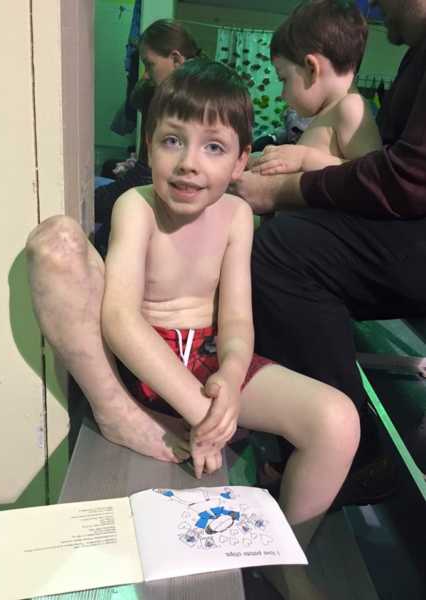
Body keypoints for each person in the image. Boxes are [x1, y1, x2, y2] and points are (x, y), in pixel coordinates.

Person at [26, 60, 359, 598]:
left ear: (240, 161)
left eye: (213, 147)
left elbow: (235, 320)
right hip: (146, 361)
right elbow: (119, 317)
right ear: (149, 142)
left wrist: (229, 374)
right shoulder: (137, 206)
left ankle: (286, 555)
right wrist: (202, 411)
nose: (188, 164)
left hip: (206, 356)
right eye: (172, 140)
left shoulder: (235, 216)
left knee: (338, 420)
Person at [232, 0, 426, 503]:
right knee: (275, 252)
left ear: (313, 67)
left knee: (280, 253)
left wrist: (296, 180)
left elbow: (400, 180)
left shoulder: (352, 106)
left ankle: (348, 448)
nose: (378, 8)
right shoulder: (414, 54)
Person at [95, 19, 203, 256]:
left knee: (97, 220)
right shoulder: (193, 90)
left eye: (149, 64)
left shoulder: (176, 102)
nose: (145, 75)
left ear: (176, 59)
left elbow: (144, 176)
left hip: (156, 195)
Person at [250, 0, 381, 176]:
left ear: (312, 68)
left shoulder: (350, 105)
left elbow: (371, 175)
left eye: (284, 79)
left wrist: (305, 159)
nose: (282, 95)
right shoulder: (329, 112)